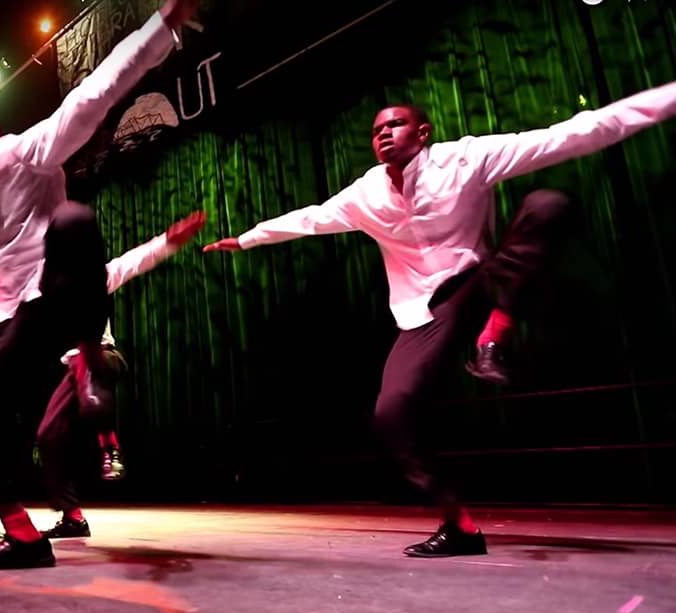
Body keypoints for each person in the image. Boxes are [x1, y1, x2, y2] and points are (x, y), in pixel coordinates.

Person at [203, 81, 676, 557]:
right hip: (425, 310)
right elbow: (310, 218)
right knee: (391, 415)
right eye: (377, 129)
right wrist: (245, 239)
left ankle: (493, 337)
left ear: (423, 132)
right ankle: (461, 527)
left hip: (482, 281)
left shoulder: (466, 158)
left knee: (546, 205)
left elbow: (575, 132)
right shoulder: (366, 192)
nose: (384, 133)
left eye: (396, 124)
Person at [0, 0, 201, 570]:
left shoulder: (22, 152)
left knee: (72, 219)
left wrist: (160, 27)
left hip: (61, 293)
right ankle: (23, 538)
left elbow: (92, 95)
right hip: (17, 315)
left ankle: (91, 355)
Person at [37, 210, 206, 540]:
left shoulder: (95, 276)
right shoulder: (42, 289)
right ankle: (73, 517)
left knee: (85, 366)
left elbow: (134, 261)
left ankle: (110, 448)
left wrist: (169, 241)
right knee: (48, 436)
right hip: (73, 370)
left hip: (104, 358)